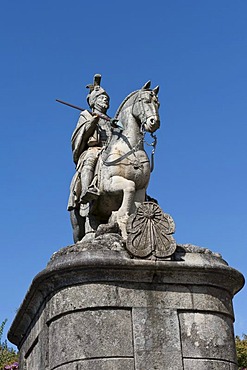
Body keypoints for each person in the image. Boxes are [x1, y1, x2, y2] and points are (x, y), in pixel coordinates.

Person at [67, 74, 112, 212]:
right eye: (102, 97)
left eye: (107, 98)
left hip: (110, 150)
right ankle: (87, 190)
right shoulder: (86, 115)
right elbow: (81, 135)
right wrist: (93, 122)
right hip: (94, 149)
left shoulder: (112, 119)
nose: (105, 99)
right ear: (94, 101)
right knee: (89, 160)